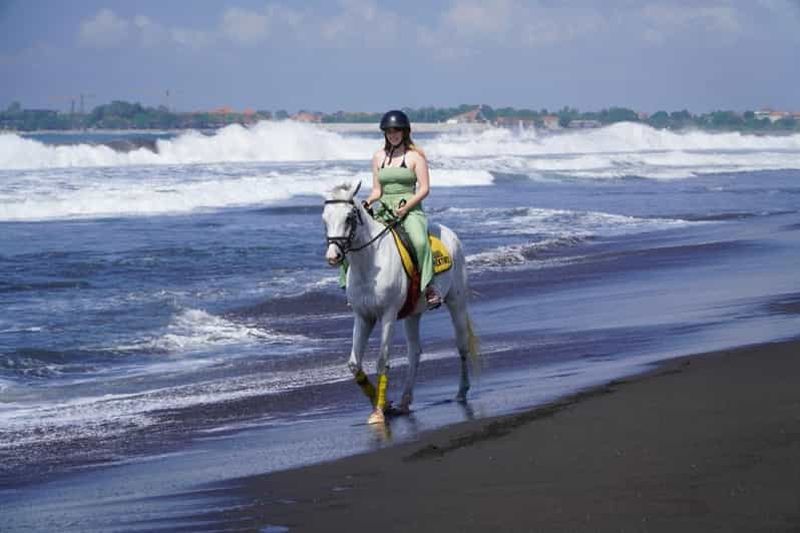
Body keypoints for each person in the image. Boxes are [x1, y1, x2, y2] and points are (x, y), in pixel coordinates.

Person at [362, 110, 441, 309]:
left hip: (411, 208)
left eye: (396, 130)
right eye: (389, 131)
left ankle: (429, 287)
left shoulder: (415, 157)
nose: (392, 134)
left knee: (420, 241)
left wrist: (407, 207)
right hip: (385, 208)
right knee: (356, 238)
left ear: (404, 132)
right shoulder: (378, 157)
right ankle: (351, 287)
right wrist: (367, 202)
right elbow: (377, 190)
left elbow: (424, 189)